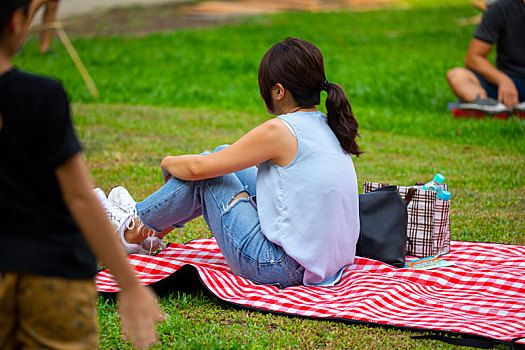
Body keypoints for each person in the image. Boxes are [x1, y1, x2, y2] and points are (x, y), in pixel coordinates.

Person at [97, 37, 362, 288]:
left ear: (279, 91)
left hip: (280, 266)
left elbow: (197, 169)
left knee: (207, 176)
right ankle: (146, 232)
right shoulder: (329, 125)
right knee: (223, 154)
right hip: (325, 265)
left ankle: (129, 231)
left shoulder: (281, 130)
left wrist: (167, 161)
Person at [0, 1, 164, 348]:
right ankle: (126, 223)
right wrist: (130, 285)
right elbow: (78, 196)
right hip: (52, 276)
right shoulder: (41, 97)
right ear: (16, 22)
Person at [446, 0, 525, 117]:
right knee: (457, 75)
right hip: (507, 84)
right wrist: (503, 80)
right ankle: (489, 105)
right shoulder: (500, 9)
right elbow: (473, 57)